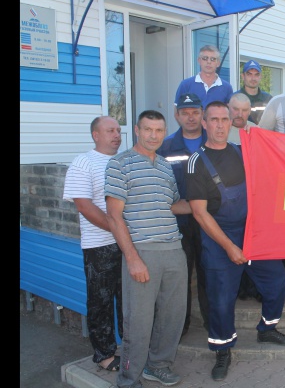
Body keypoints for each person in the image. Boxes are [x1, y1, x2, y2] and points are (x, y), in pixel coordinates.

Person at [186, 101, 285, 382]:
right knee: (221, 300)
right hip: (219, 237)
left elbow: (270, 175)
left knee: (276, 282)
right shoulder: (196, 162)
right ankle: (222, 350)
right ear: (204, 123)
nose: (220, 125)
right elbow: (199, 213)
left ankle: (267, 329)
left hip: (253, 233)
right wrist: (229, 247)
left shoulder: (241, 150)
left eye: (225, 119)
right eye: (214, 120)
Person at [105, 110, 191, 388]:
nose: (154, 135)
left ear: (164, 132)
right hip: (142, 251)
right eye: (148, 129)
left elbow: (172, 205)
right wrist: (132, 259)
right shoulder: (120, 164)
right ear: (137, 131)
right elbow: (114, 216)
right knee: (138, 322)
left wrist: (203, 203)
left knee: (172, 316)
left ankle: (158, 366)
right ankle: (128, 379)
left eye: (159, 130)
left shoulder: (165, 166)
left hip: (173, 249)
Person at [62, 116, 123, 372]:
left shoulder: (124, 161)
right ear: (95, 135)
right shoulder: (83, 162)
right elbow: (84, 206)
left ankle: (131, 347)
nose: (117, 135)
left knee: (129, 300)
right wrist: (117, 229)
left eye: (118, 130)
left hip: (128, 245)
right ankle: (105, 354)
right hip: (100, 246)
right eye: (110, 130)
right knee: (101, 302)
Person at [157, 93, 210, 337]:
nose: (190, 118)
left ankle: (212, 322)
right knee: (181, 276)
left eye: (195, 112)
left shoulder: (215, 142)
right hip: (178, 222)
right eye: (185, 113)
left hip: (209, 220)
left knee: (209, 272)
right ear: (177, 115)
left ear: (202, 114)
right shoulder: (165, 147)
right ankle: (182, 325)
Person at [226, 92, 262, 302]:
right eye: (235, 109)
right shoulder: (220, 130)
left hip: (252, 199)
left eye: (244, 110)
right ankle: (238, 288)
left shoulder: (256, 131)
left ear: (250, 111)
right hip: (229, 201)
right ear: (228, 108)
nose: (239, 114)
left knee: (252, 245)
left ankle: (253, 287)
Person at [174, 45, 233, 119]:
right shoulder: (186, 85)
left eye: (213, 59)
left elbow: (229, 114)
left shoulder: (227, 88)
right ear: (199, 60)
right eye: (205, 58)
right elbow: (176, 112)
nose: (209, 62)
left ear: (218, 63)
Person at [234, 60, 272, 124]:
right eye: (249, 74)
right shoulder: (234, 99)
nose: (253, 78)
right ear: (243, 76)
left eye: (256, 74)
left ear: (260, 77)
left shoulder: (268, 99)